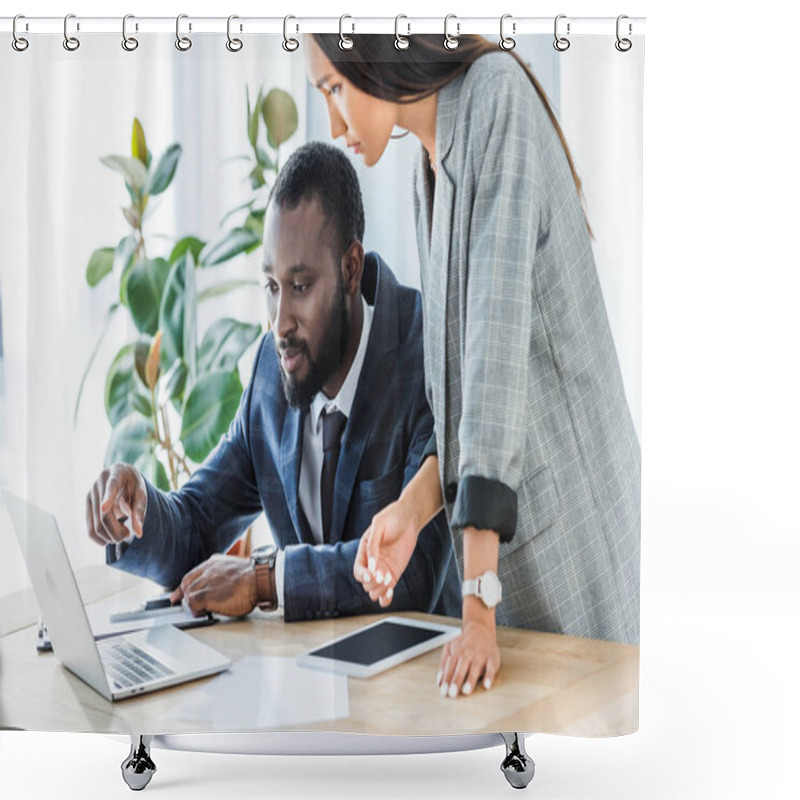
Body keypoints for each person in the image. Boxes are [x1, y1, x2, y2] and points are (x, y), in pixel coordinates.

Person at [306, 35, 641, 698]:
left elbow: (491, 378)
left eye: (334, 88)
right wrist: (410, 510)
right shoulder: (423, 172)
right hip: (511, 565)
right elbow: (457, 400)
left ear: (374, 53)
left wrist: (476, 608)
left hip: (575, 541)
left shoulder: (496, 98)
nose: (333, 124)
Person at [84, 141, 460, 623]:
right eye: (271, 287)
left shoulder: (424, 351)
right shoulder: (272, 370)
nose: (279, 323)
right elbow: (198, 524)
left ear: (350, 268)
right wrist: (137, 510)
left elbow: (413, 578)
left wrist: (266, 580)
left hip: (417, 682)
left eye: (300, 287)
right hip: (305, 679)